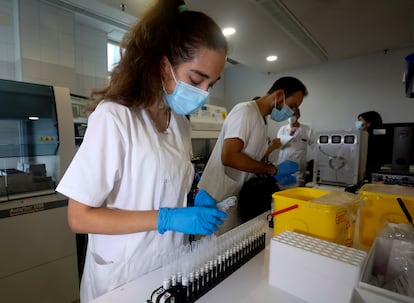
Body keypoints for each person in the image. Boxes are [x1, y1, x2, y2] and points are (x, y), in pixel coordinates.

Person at [55, 1, 229, 302]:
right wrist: (167, 219)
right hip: (121, 275)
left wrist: (195, 193)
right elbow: (79, 217)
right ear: (164, 66)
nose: (203, 94)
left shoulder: (180, 126)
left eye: (211, 84)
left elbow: (162, 181)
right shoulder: (115, 118)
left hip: (168, 268)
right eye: (196, 80)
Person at [198, 76, 308, 234]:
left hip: (236, 196)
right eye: (291, 106)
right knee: (216, 252)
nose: (291, 112)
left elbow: (250, 161)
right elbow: (229, 156)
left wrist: (270, 173)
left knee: (234, 246)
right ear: (278, 95)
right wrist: (273, 170)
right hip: (218, 197)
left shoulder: (261, 121)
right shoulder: (245, 111)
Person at [277, 106, 316, 186]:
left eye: (294, 114)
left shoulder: (307, 130)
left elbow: (315, 147)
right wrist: (289, 134)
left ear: (298, 115)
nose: (291, 117)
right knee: (282, 192)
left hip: (298, 170)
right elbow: (278, 145)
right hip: (283, 168)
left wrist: (316, 164)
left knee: (296, 192)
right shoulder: (283, 129)